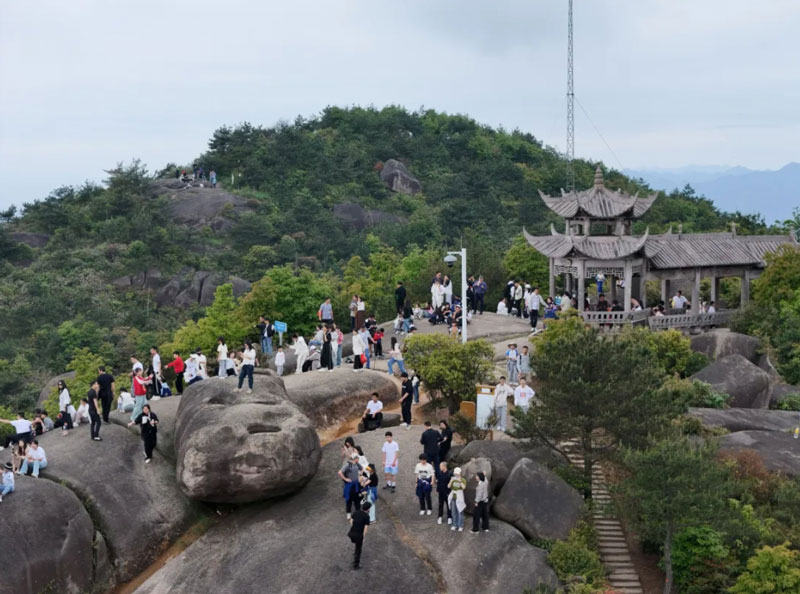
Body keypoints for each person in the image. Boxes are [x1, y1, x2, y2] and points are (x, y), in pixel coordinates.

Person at [338, 451, 363, 518]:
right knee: (349, 499)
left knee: (357, 499)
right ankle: (348, 512)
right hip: (350, 485)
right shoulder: (348, 465)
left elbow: (362, 468)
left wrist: (360, 474)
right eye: (357, 458)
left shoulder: (357, 464)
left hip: (356, 484)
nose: (358, 459)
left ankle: (357, 512)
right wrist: (345, 479)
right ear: (354, 458)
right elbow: (340, 472)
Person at [348, 501, 371, 570]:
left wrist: (354, 526)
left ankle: (355, 553)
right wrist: (363, 537)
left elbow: (351, 521)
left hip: (351, 533)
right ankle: (356, 564)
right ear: (368, 509)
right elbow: (365, 528)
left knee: (356, 544)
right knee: (359, 549)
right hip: (358, 535)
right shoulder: (367, 516)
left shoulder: (356, 512)